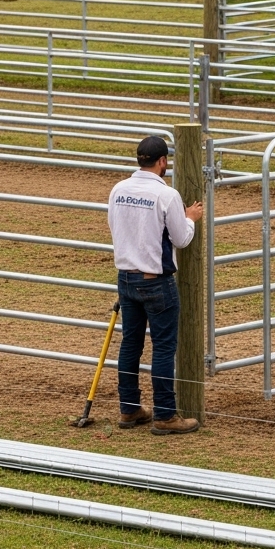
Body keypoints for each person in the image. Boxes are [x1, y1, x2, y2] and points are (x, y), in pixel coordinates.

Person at [107, 135, 203, 435]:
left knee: (131, 343)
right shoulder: (167, 196)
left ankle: (130, 408)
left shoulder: (118, 190)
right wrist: (190, 218)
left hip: (126, 276)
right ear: (163, 161)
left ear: (140, 160)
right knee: (163, 348)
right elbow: (181, 239)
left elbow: (115, 227)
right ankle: (164, 415)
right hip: (155, 280)